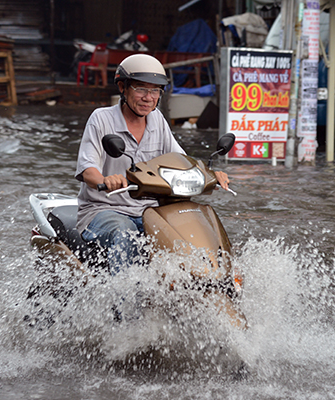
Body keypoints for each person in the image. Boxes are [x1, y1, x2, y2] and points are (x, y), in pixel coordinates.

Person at [74, 53, 229, 273]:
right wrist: (105, 179)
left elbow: (181, 160)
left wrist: (209, 173)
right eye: (141, 89)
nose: (149, 97)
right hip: (104, 209)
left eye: (155, 90)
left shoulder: (157, 120)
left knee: (191, 231)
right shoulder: (101, 119)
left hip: (148, 210)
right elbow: (88, 169)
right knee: (124, 232)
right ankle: (123, 303)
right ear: (122, 87)